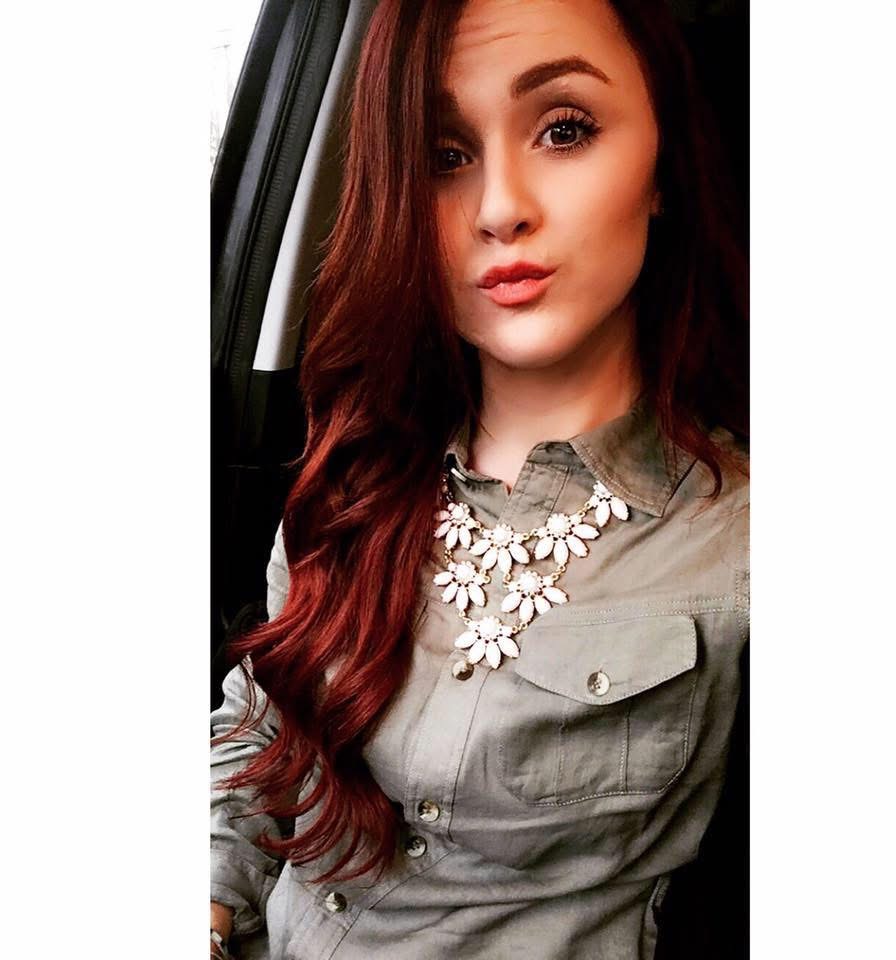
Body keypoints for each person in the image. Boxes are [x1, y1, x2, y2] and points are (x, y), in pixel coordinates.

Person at [211, 0, 748, 957]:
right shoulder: (354, 471)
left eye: (564, 130)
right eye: (444, 156)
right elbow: (262, 724)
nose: (500, 208)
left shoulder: (737, 543)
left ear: (663, 163)